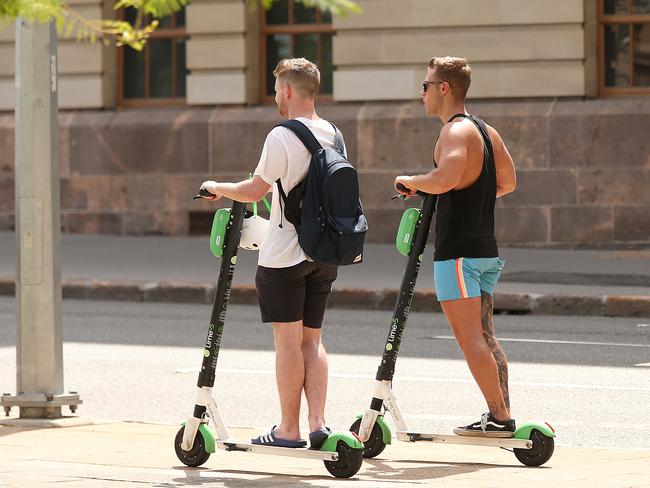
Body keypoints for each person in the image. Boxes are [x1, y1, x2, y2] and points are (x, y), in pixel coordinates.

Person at [199, 58, 344, 449]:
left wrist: (218, 186)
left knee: (287, 343)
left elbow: (254, 192)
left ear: (290, 91)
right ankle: (318, 424)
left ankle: (288, 430)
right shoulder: (333, 133)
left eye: (278, 88)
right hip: (325, 254)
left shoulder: (281, 136)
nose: (277, 94)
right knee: (312, 341)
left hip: (284, 257)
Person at [394, 56, 517, 437]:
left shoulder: (454, 131)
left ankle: (499, 417)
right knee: (485, 334)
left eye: (426, 85)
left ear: (444, 88)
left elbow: (446, 176)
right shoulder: (485, 130)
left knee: (470, 338)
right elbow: (507, 182)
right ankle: (500, 416)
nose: (422, 92)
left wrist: (411, 179)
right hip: (484, 249)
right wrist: (472, 193)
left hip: (458, 253)